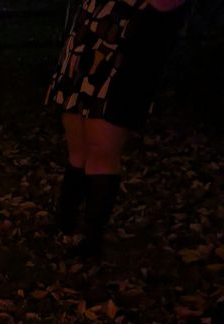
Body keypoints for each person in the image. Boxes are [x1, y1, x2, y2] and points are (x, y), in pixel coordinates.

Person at [46, 0, 189, 257]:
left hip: (123, 54)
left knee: (101, 147)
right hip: (87, 40)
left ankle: (91, 238)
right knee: (77, 145)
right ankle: (65, 220)